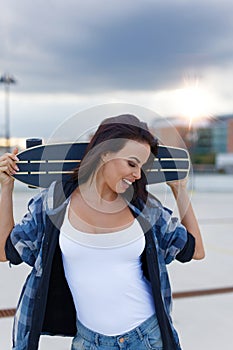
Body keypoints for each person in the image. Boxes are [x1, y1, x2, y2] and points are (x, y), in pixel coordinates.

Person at [0, 114, 205, 350]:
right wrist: (6, 188)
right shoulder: (55, 202)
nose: (138, 175)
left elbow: (195, 250)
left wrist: (179, 189)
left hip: (147, 338)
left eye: (141, 166)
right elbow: (7, 252)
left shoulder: (146, 208)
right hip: (89, 342)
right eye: (131, 163)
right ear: (105, 152)